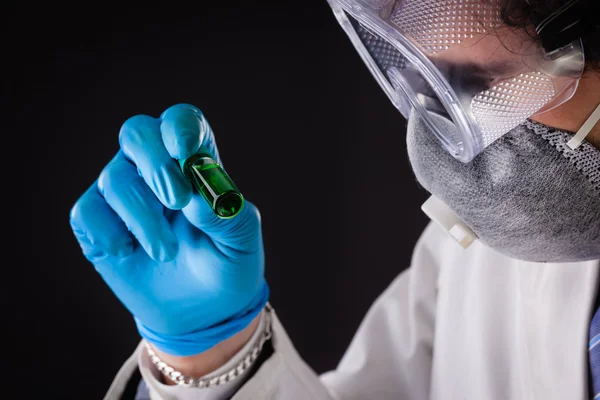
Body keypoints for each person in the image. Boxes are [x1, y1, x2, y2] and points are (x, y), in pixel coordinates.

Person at [69, 0, 600, 398]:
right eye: (428, 86)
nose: (443, 150)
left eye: (483, 88)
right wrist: (213, 354)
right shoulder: (473, 266)